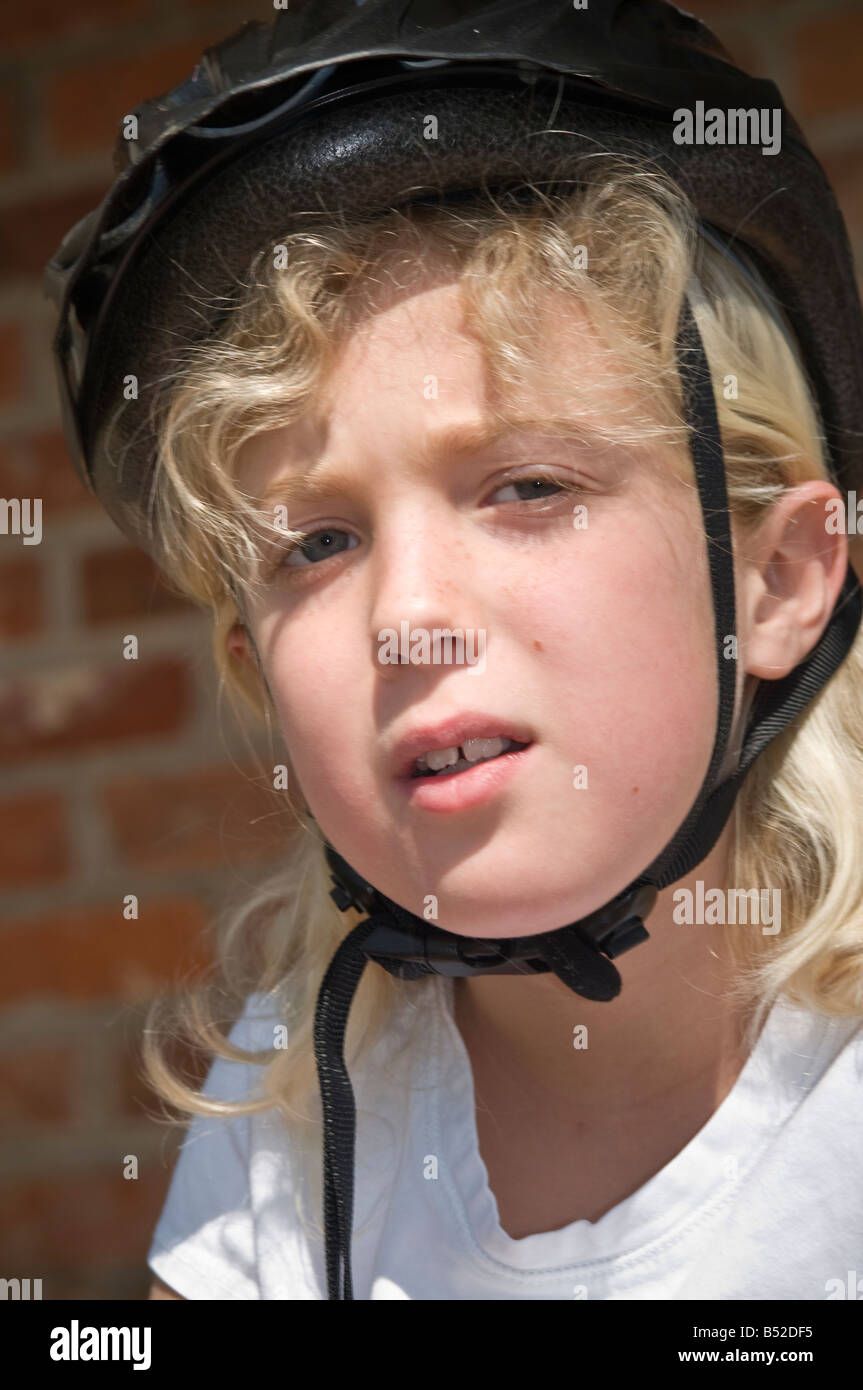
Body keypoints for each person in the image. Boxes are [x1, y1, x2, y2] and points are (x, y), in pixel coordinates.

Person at [44, 0, 863, 1301]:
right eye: (315, 544)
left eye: (527, 485)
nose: (405, 616)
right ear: (258, 674)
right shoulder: (303, 1096)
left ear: (777, 579)